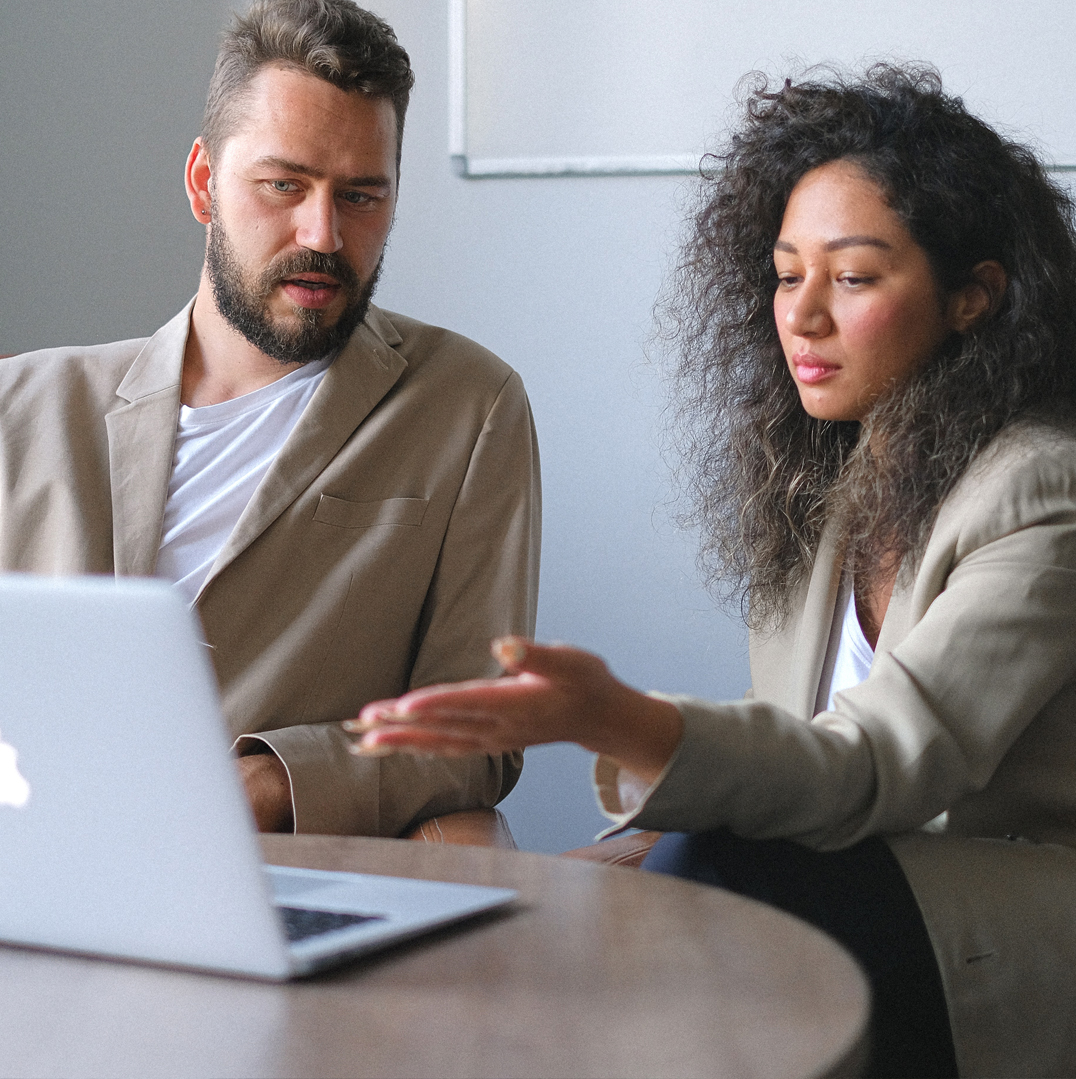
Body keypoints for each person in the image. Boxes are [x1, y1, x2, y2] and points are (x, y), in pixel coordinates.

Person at [349, 66, 1076, 1077]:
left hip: (1014, 922)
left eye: (852, 278)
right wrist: (613, 858)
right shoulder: (836, 481)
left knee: (720, 871)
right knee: (589, 904)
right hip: (859, 881)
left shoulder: (1039, 488)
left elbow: (877, 762)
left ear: (971, 296)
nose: (802, 315)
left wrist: (614, 717)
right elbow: (795, 747)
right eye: (785, 273)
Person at [0, 0, 540, 838]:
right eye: (284, 185)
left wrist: (263, 784)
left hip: (277, 870)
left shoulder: (466, 406)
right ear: (204, 184)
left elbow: (481, 731)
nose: (323, 233)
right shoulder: (25, 409)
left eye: (361, 195)